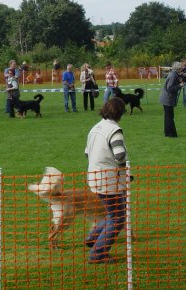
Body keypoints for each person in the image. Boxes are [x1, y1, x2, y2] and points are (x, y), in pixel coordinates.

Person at [84, 97, 128, 264]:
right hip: (109, 180)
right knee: (118, 217)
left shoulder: (95, 128)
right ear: (120, 112)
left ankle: (93, 237)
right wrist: (124, 169)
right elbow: (119, 155)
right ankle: (98, 254)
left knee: (112, 213)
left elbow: (87, 153)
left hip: (94, 177)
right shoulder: (114, 130)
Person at [159, 61, 184, 138]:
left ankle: (167, 133)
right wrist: (179, 86)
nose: (181, 69)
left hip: (166, 98)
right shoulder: (173, 75)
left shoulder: (173, 74)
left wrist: (179, 83)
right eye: (180, 68)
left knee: (168, 116)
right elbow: (170, 88)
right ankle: (172, 134)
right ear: (177, 69)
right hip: (167, 99)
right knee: (170, 117)